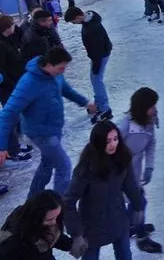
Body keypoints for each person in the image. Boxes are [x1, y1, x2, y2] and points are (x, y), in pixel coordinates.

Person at [0, 48, 96, 197]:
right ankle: (60, 207)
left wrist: (86, 103)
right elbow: (7, 114)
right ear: (49, 64)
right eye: (61, 68)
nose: (63, 71)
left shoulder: (56, 76)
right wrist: (2, 145)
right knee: (64, 166)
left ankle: (33, 198)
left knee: (47, 163)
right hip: (40, 133)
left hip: (54, 129)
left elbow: (67, 90)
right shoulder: (28, 83)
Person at [62, 121, 145, 260]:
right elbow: (69, 201)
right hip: (93, 227)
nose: (113, 144)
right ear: (98, 142)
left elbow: (130, 185)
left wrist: (138, 206)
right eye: (107, 141)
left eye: (115, 139)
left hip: (118, 220)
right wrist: (76, 234)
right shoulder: (86, 168)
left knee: (125, 255)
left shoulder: (122, 158)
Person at [117, 88, 162, 254]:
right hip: (122, 172)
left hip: (135, 170)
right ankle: (141, 236)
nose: (155, 109)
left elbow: (151, 143)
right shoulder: (126, 126)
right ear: (142, 107)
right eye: (152, 106)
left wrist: (149, 166)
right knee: (139, 203)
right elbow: (111, 149)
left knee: (137, 202)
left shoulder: (149, 120)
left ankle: (132, 225)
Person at [63, 7, 114, 123]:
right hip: (98, 55)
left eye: (72, 21)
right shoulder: (88, 20)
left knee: (97, 80)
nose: (73, 24)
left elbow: (97, 49)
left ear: (77, 17)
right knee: (95, 80)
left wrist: (96, 64)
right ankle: (99, 104)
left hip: (100, 56)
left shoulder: (92, 27)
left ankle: (105, 109)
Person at [0, 190, 73, 259]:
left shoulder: (43, 225)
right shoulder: (13, 244)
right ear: (36, 218)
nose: (54, 222)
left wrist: (71, 244)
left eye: (57, 216)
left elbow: (51, 235)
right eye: (50, 219)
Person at [0, 14, 31, 162]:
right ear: (6, 28)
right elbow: (2, 70)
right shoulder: (1, 45)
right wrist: (11, 82)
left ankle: (15, 146)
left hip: (14, 84)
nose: (15, 25)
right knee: (9, 118)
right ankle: (12, 150)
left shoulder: (7, 40)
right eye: (12, 24)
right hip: (7, 87)